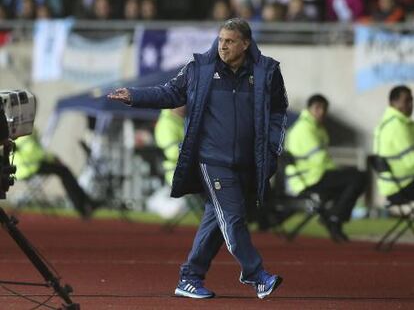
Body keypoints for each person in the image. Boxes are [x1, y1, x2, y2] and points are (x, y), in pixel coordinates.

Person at [108, 18, 287, 299]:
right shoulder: (200, 68)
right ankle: (257, 275)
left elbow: (278, 111)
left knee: (216, 221)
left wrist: (273, 146)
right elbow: (170, 92)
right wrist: (134, 96)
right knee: (234, 218)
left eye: (229, 41)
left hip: (248, 162)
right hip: (212, 159)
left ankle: (189, 278)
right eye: (220, 40)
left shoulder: (267, 71)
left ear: (245, 44)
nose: (223, 46)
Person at [285, 94, 366, 242]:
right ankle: (334, 216)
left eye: (323, 108)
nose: (321, 111)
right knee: (358, 177)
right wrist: (338, 169)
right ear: (309, 109)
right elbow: (319, 160)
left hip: (314, 176)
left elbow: (322, 160)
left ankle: (333, 219)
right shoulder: (304, 129)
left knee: (352, 179)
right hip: (309, 179)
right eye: (317, 108)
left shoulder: (316, 128)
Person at [13, 131, 98, 219]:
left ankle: (84, 203)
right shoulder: (25, 130)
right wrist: (53, 158)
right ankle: (83, 205)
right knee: (64, 171)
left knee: (64, 171)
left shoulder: (17, 130)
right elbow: (36, 153)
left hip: (22, 169)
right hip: (29, 167)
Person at [373, 85, 414, 203]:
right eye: (406, 100)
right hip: (400, 186)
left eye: (411, 100)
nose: (411, 104)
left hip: (394, 185)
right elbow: (411, 162)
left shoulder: (394, 122)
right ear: (393, 102)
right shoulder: (397, 126)